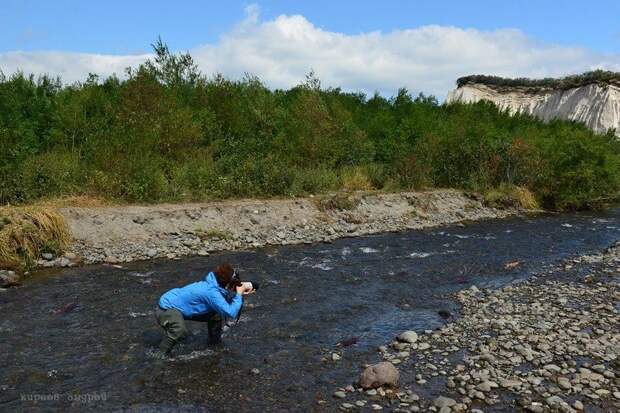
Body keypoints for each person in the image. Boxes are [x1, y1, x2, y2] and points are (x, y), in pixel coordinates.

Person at [156, 263, 256, 355]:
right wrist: (238, 294)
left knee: (216, 313)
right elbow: (231, 312)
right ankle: (159, 356)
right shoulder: (211, 292)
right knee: (180, 332)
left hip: (177, 305)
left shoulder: (214, 284)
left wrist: (238, 291)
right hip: (166, 309)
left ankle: (215, 344)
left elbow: (222, 303)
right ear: (226, 283)